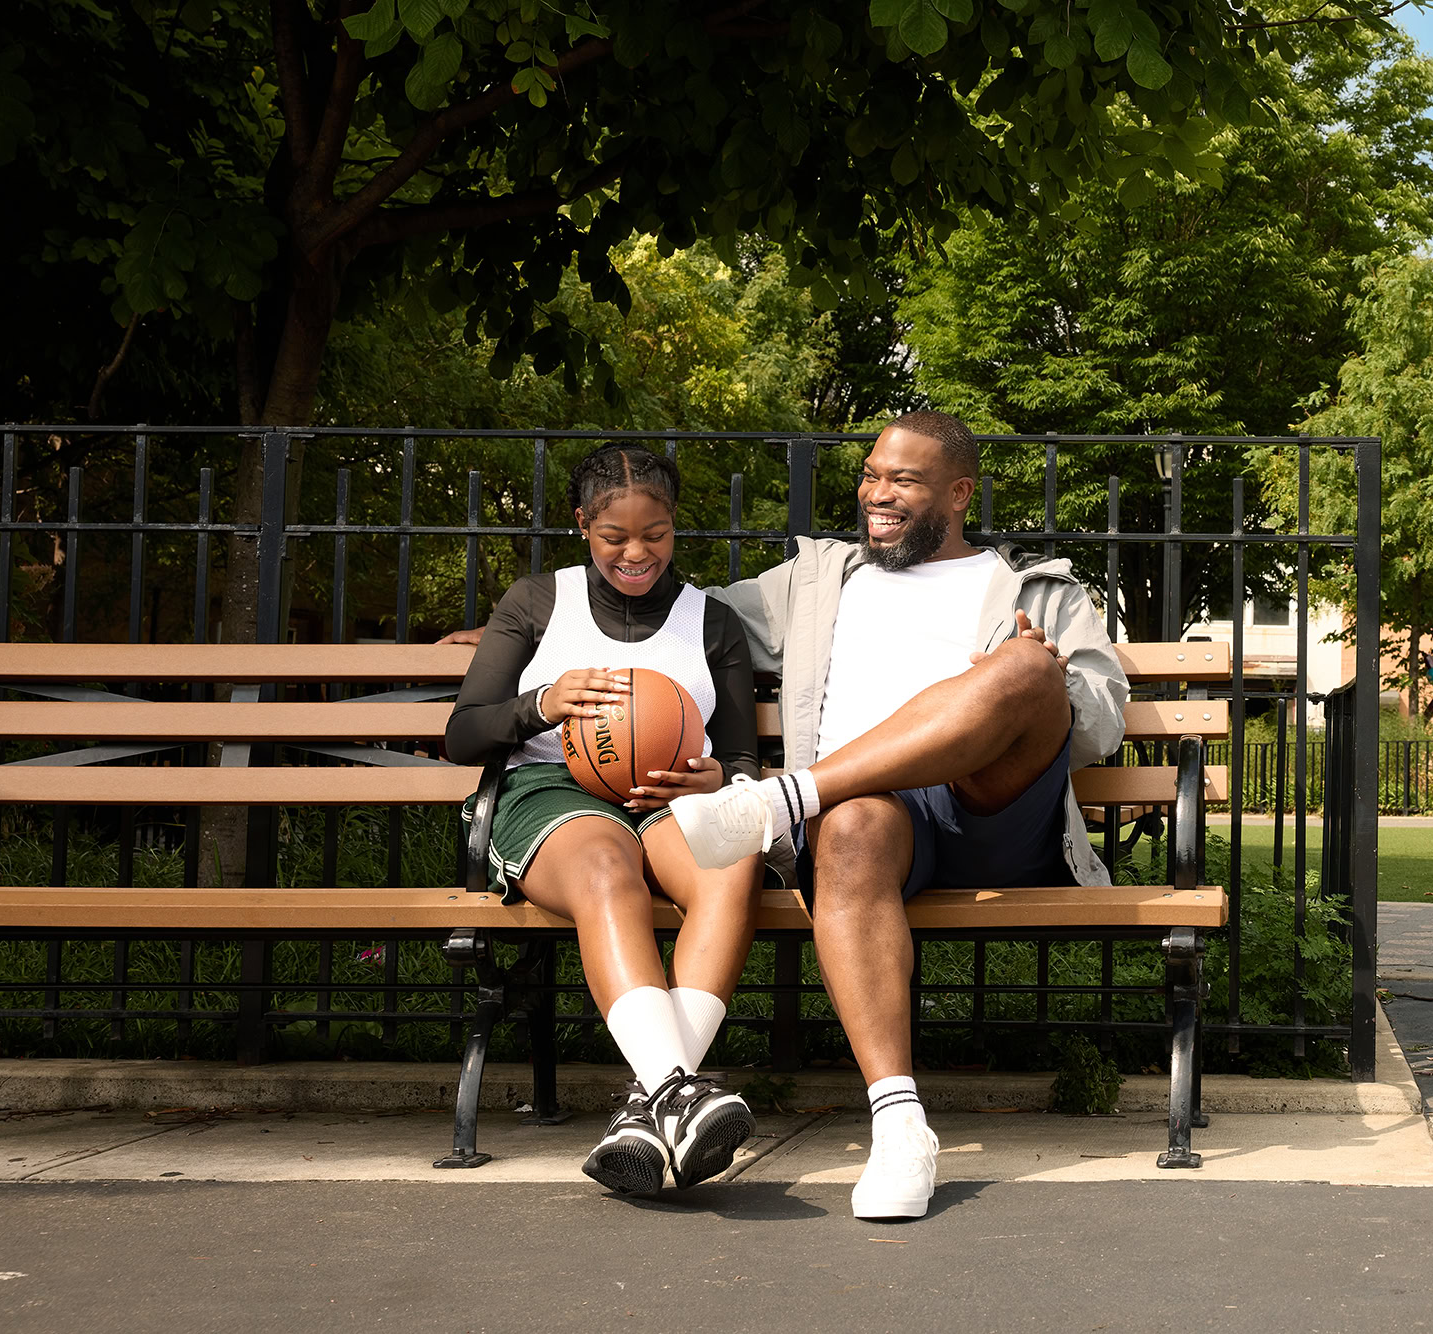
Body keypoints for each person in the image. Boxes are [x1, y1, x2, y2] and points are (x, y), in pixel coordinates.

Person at [668, 410, 1129, 1221]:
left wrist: (1041, 673)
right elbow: (681, 622)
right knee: (850, 826)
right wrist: (527, 644)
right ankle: (899, 1126)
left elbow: (1099, 727)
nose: (877, 494)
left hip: (992, 808)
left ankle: (788, 797)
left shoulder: (1040, 591)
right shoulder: (817, 582)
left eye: (904, 482)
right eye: (873, 474)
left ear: (959, 492)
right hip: (869, 823)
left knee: (1027, 665)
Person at [444, 444, 762, 1199]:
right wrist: (541, 705)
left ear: (674, 527)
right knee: (605, 872)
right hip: (554, 791)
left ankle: (650, 1106)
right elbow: (463, 734)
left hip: (671, 796)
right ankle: (676, 1091)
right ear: (583, 524)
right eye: (615, 536)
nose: (636, 552)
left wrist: (726, 776)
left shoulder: (710, 622)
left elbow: (745, 757)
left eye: (655, 534)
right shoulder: (536, 602)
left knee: (734, 862)